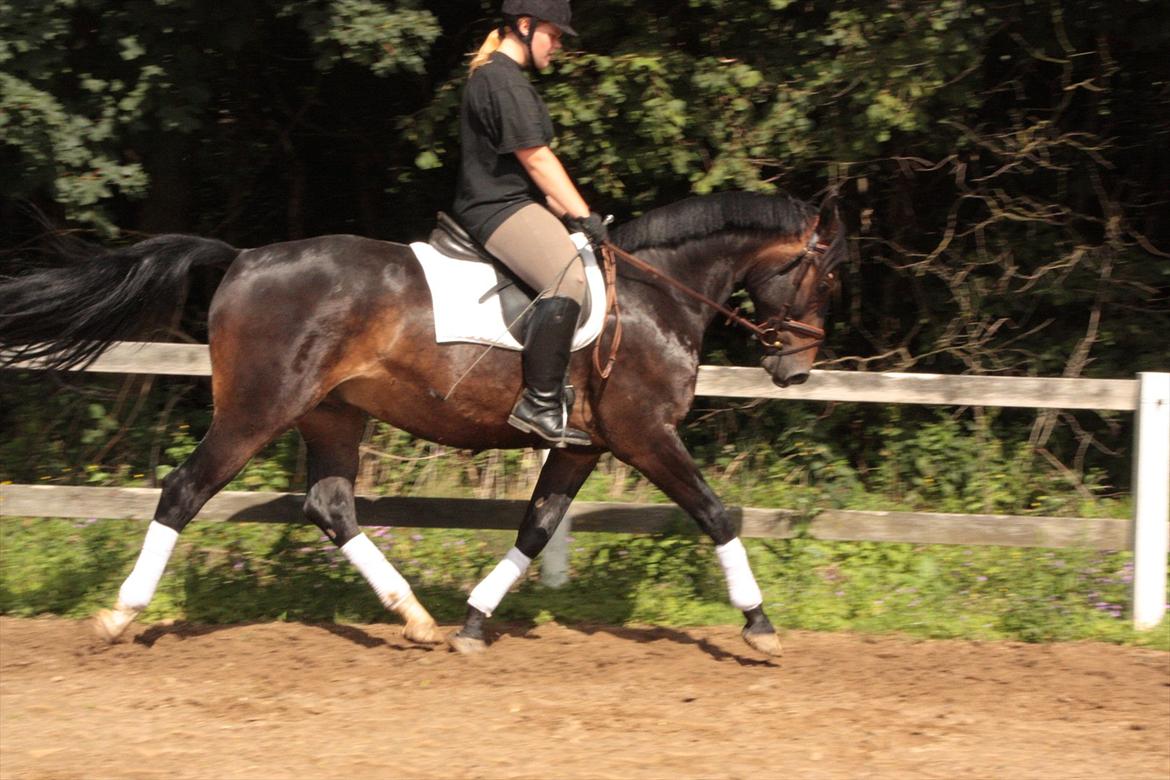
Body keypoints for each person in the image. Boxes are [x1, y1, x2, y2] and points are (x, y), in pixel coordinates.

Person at [453, 0, 608, 448]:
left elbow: (525, 171)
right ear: (524, 26)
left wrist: (566, 211)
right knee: (568, 278)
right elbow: (537, 159)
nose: (557, 45)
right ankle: (540, 403)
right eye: (554, 34)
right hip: (496, 209)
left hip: (513, 202)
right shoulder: (501, 81)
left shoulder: (506, 80)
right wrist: (583, 214)